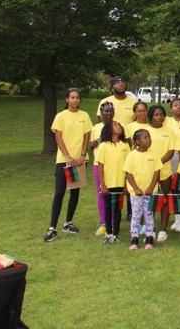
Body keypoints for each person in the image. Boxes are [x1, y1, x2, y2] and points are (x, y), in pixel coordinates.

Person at [43, 88, 92, 242]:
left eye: (77, 98)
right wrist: (68, 157)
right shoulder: (61, 116)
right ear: (67, 99)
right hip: (64, 160)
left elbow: (86, 138)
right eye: (72, 97)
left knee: (74, 192)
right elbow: (58, 138)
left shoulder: (84, 116)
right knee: (59, 193)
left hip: (79, 160)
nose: (75, 100)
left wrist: (82, 156)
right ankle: (52, 228)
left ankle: (68, 222)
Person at [124, 129, 162, 250]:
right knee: (136, 214)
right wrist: (136, 188)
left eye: (149, 137)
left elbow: (157, 172)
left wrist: (151, 187)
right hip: (136, 193)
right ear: (137, 141)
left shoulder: (154, 154)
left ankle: (149, 237)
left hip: (150, 192)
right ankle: (134, 237)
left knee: (149, 214)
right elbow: (128, 173)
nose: (149, 140)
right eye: (145, 138)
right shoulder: (132, 155)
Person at [95, 120, 130, 244]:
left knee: (118, 209)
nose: (119, 126)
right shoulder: (103, 146)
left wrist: (126, 184)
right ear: (109, 129)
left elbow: (128, 167)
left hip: (120, 183)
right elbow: (100, 165)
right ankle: (108, 233)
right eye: (116, 125)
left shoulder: (125, 146)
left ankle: (116, 234)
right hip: (108, 184)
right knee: (108, 208)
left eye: (119, 125)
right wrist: (103, 184)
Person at [148, 105, 177, 240]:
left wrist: (158, 163)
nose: (159, 117)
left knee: (165, 198)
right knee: (150, 200)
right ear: (151, 117)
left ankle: (163, 231)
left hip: (165, 171)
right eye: (156, 115)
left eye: (161, 115)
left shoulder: (169, 132)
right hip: (148, 171)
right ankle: (150, 229)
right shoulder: (145, 131)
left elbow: (171, 151)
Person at [91, 102, 115, 235]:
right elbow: (91, 145)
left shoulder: (118, 126)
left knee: (114, 194)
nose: (109, 113)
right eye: (106, 111)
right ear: (101, 113)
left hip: (114, 165)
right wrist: (93, 144)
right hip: (99, 164)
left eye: (111, 111)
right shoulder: (96, 127)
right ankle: (104, 223)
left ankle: (113, 222)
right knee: (101, 192)